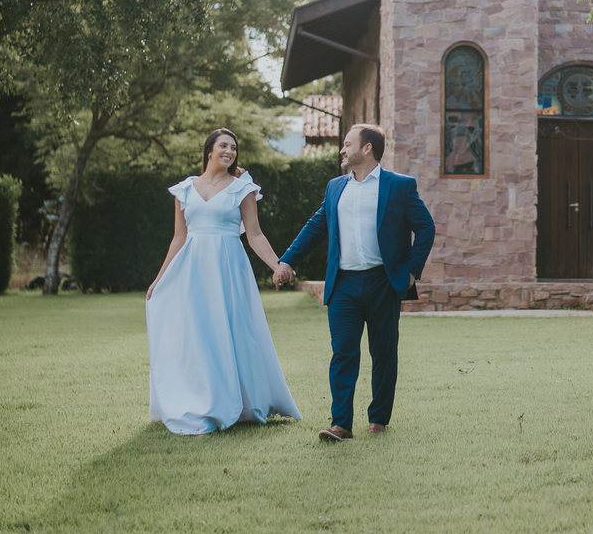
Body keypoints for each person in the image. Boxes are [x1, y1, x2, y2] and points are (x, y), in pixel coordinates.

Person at [278, 123, 434, 441]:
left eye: (348, 144)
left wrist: (412, 270)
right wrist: (287, 260)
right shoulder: (335, 187)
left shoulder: (400, 186)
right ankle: (341, 424)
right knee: (344, 352)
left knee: (384, 352)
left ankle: (378, 418)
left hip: (383, 281)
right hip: (344, 284)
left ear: (367, 149)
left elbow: (426, 226)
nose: (342, 150)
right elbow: (316, 225)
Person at [145, 128, 301, 435]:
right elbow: (179, 238)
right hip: (192, 269)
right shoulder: (185, 189)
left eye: (234, 147)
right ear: (209, 151)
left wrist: (278, 264)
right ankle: (201, 399)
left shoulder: (242, 188)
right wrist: (159, 278)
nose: (229, 151)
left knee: (232, 330)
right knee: (199, 333)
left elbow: (254, 234)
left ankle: (241, 401)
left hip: (229, 267)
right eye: (223, 146)